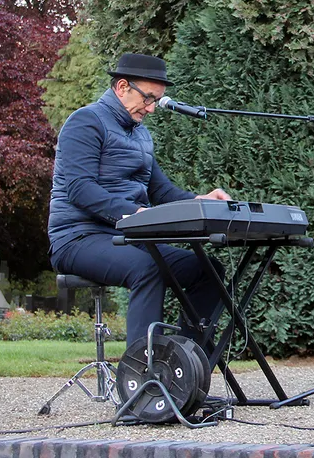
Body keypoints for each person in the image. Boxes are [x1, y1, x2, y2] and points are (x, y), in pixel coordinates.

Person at [47, 53, 232, 346]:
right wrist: (136, 213)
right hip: (77, 238)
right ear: (122, 87)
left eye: (155, 101)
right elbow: (80, 189)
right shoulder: (85, 122)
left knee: (208, 271)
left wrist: (200, 200)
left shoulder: (141, 135)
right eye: (148, 99)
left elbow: (163, 192)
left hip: (127, 237)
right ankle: (144, 375)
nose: (151, 109)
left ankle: (183, 370)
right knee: (147, 269)